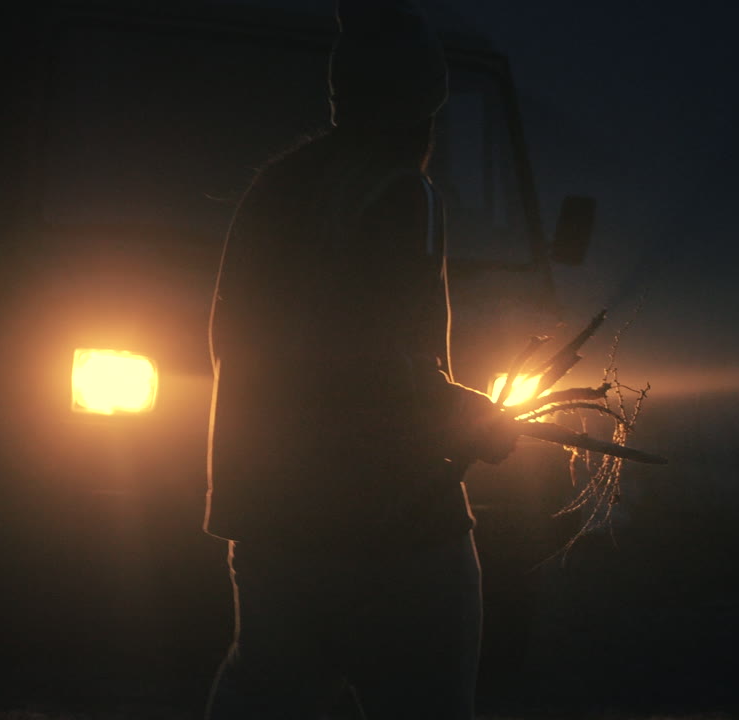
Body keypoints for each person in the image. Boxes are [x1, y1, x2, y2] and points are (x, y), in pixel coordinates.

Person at [203, 2, 519, 718]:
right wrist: (471, 416)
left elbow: (241, 342)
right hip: (395, 528)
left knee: (265, 694)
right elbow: (386, 360)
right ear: (425, 109)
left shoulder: (272, 190)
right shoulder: (402, 192)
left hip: (272, 525)